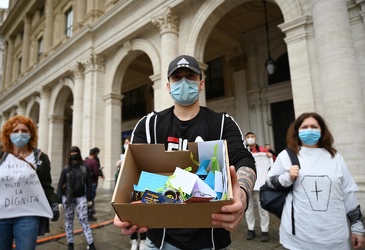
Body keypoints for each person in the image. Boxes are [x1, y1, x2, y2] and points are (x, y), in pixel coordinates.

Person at [113, 55, 257, 250]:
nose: (183, 82)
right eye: (177, 78)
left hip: (210, 238)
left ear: (201, 83)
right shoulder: (149, 125)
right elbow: (131, 170)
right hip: (159, 240)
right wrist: (123, 204)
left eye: (190, 76)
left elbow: (243, 159)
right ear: (168, 86)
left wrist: (243, 193)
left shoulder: (223, 123)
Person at [266, 112, 365, 249]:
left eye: (314, 126)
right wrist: (287, 178)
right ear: (297, 131)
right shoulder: (287, 156)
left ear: (322, 131)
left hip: (336, 239)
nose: (309, 130)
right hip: (298, 240)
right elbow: (270, 181)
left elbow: (348, 193)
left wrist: (357, 228)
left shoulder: (336, 158)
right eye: (304, 127)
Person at [0, 115, 60, 250]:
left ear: (31, 133)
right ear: (8, 134)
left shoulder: (40, 158)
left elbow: (45, 185)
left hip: (27, 216)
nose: (20, 134)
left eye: (24, 130)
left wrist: (54, 202)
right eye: (15, 131)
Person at [57, 146, 96, 250]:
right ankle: (70, 244)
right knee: (69, 221)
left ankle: (90, 243)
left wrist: (89, 199)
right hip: (68, 198)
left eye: (76, 152)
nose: (74, 154)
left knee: (84, 220)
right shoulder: (66, 169)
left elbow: (88, 183)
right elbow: (60, 185)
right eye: (72, 152)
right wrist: (59, 200)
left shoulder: (84, 168)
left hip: (81, 197)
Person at [244, 132, 273, 242]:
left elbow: (273, 162)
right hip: (247, 184)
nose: (250, 139)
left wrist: (270, 155)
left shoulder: (263, 151)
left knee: (263, 208)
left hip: (260, 184)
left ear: (255, 138)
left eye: (252, 137)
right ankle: (250, 229)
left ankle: (264, 230)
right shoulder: (243, 150)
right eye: (248, 137)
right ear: (245, 139)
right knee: (248, 208)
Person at [85, 148, 105, 221]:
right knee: (91, 198)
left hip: (86, 182)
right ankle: (90, 214)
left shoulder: (85, 161)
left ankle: (86, 212)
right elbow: (96, 172)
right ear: (96, 153)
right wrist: (100, 174)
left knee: (87, 197)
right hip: (93, 182)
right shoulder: (94, 162)